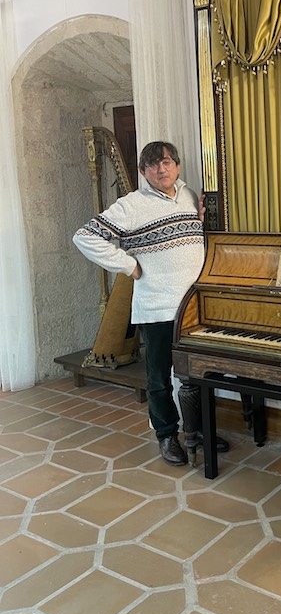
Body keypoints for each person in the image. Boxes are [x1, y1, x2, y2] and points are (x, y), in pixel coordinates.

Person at [73, 141, 229, 466]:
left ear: (177, 166)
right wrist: (128, 265)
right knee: (159, 378)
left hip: (192, 309)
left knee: (196, 373)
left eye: (168, 162)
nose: (163, 169)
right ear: (144, 172)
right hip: (156, 308)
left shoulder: (188, 195)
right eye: (154, 165)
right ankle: (167, 436)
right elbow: (84, 236)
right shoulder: (132, 205)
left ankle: (198, 431)